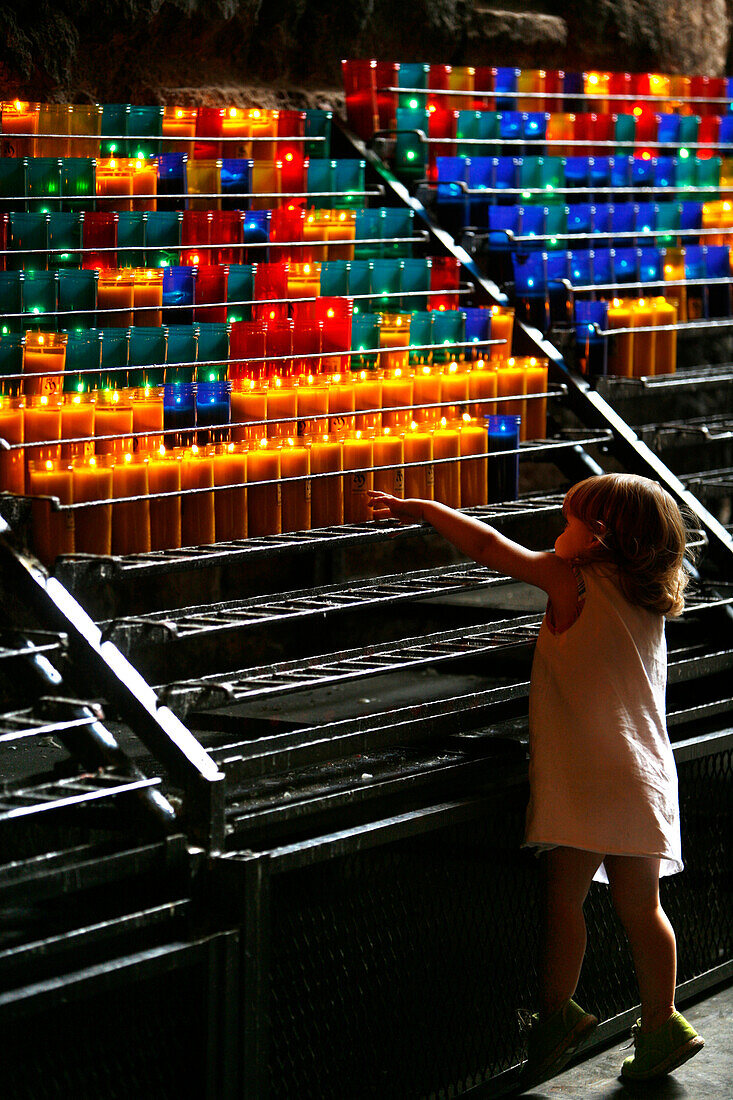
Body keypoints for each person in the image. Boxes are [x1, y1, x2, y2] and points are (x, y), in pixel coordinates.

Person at [368, 474, 705, 1089]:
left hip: (589, 774)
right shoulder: (644, 593)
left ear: (599, 535)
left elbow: (490, 548)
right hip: (647, 773)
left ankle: (556, 1016)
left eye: (570, 518)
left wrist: (425, 508)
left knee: (563, 899)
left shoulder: (573, 578)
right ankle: (663, 1022)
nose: (560, 526)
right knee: (643, 906)